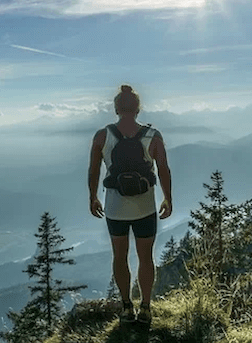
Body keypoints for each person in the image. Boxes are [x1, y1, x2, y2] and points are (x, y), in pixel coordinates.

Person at [88, 84, 172, 324]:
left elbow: (94, 169)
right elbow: (164, 169)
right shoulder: (152, 136)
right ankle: (145, 307)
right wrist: (168, 197)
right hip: (145, 206)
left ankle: (126, 307)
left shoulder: (102, 136)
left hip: (115, 207)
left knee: (119, 257)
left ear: (116, 108)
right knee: (146, 258)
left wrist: (93, 196)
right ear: (138, 108)